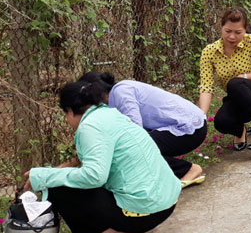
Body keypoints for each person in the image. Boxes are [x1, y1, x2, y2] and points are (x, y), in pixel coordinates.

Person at [23, 81, 180, 233]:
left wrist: (43, 176)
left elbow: (94, 176)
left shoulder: (90, 126)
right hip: (165, 204)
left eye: (65, 114)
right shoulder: (111, 114)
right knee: (67, 178)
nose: (66, 120)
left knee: (57, 186)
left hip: (146, 212)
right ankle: (132, 227)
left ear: (71, 110)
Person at [79, 72, 208, 188]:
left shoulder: (121, 93)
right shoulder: (117, 94)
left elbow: (136, 130)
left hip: (189, 129)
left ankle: (189, 170)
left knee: (136, 148)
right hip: (188, 126)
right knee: (130, 147)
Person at [198, 7, 251, 153]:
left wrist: (245, 77)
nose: (232, 37)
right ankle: (239, 130)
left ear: (245, 30)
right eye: (228, 31)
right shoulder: (209, 52)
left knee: (235, 83)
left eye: (238, 32)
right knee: (221, 122)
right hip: (237, 98)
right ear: (221, 27)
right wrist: (201, 115)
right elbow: (206, 87)